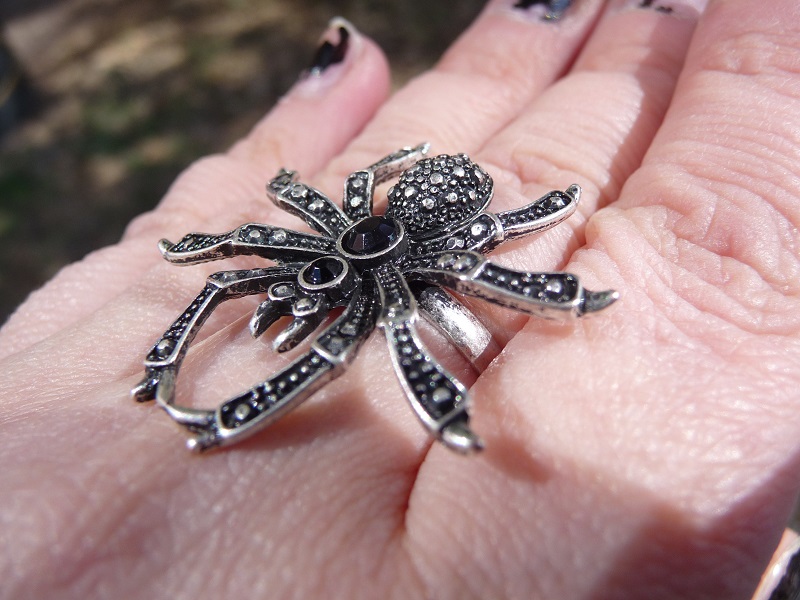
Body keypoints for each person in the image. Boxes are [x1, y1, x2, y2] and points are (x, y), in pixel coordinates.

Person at [1, 0, 798, 597]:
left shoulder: (415, 259)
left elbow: (487, 249)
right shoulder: (331, 230)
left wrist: (546, 237)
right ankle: (168, 369)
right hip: (366, 229)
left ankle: (232, 416)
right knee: (228, 275)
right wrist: (197, 248)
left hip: (421, 223)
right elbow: (276, 227)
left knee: (346, 340)